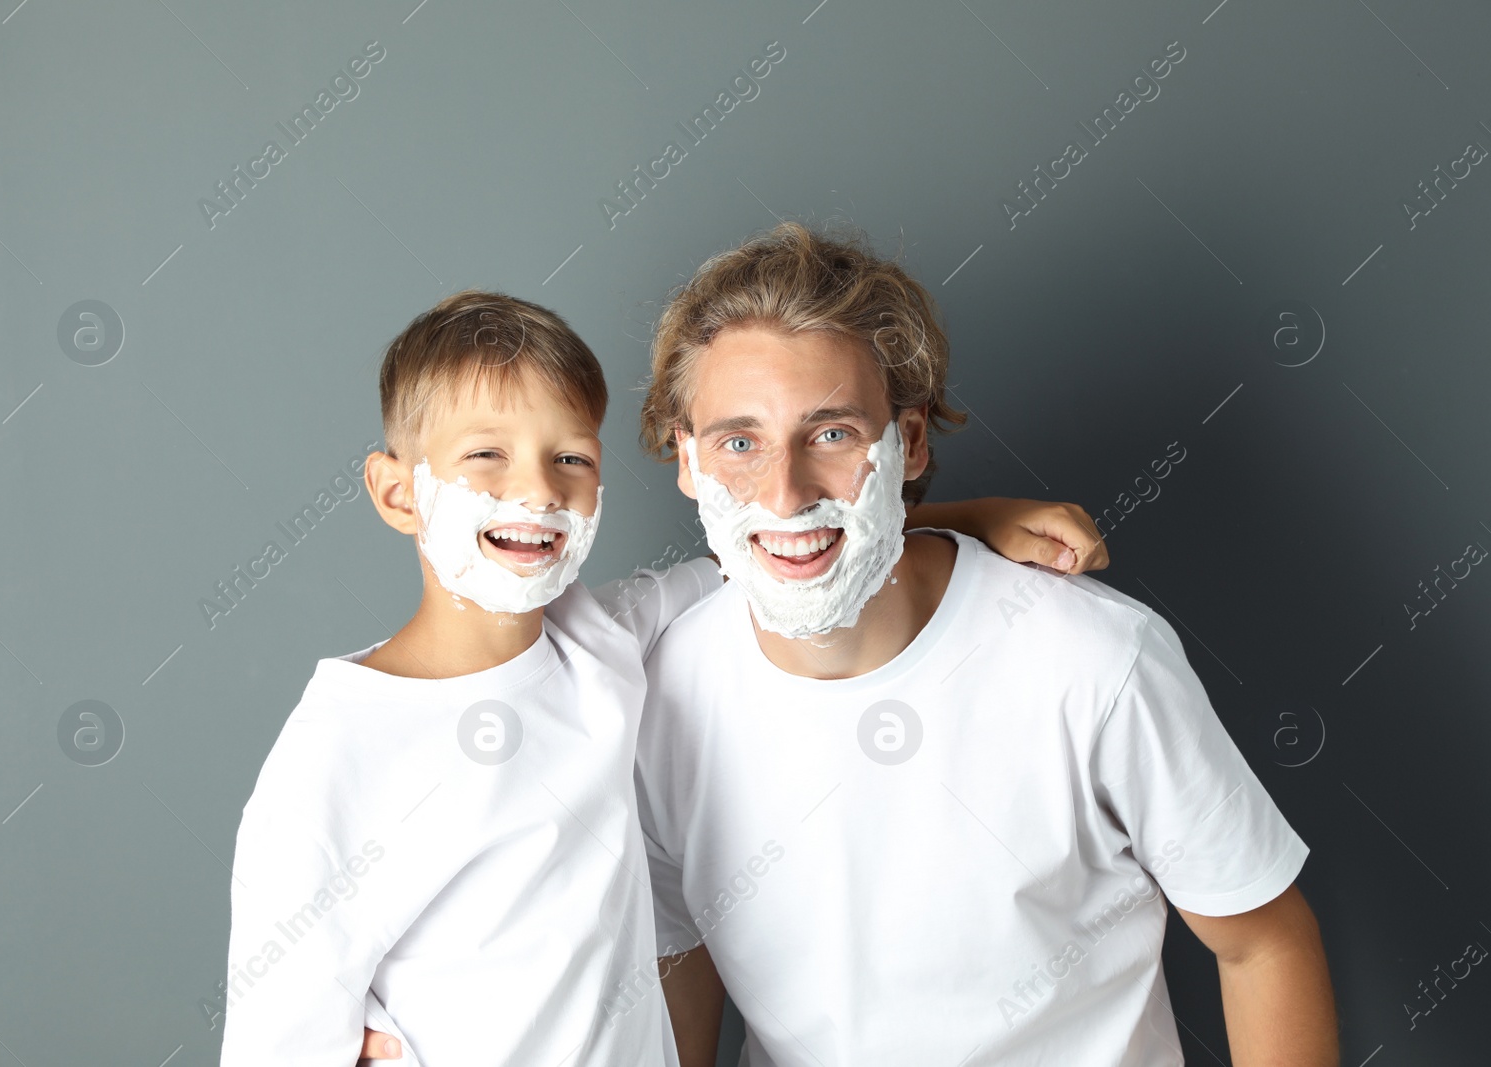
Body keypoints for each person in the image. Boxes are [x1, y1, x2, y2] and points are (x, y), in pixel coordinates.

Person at [220, 290, 1108, 1066]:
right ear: (398, 493)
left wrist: (975, 516)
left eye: (570, 457)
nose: (536, 491)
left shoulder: (607, 641)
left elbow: (782, 543)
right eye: (486, 456)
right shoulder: (334, 758)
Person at [630, 223, 1340, 1066]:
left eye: (832, 434)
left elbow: (1263, 941)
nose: (784, 492)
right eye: (739, 442)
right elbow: (686, 954)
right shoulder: (658, 690)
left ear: (911, 441)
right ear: (687, 457)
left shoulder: (1091, 661)